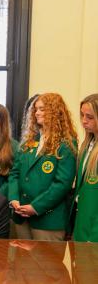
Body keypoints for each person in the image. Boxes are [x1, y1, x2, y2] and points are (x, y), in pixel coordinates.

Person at [8, 93, 77, 241]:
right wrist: (13, 198)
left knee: (46, 264)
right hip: (20, 215)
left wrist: (35, 207)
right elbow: (14, 173)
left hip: (48, 220)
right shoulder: (29, 141)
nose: (37, 113)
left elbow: (62, 184)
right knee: (21, 263)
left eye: (42, 109)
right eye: (36, 109)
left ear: (55, 112)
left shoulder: (66, 144)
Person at [73, 94, 98, 242]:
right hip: (81, 226)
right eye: (82, 115)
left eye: (89, 117)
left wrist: (94, 238)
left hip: (93, 233)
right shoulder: (87, 145)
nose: (83, 120)